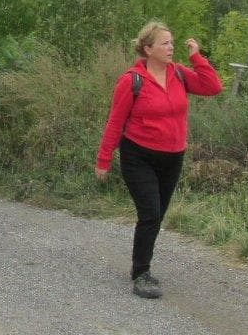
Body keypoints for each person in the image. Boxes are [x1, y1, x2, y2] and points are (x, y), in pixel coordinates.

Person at [94, 21, 222, 299]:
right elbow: (115, 122)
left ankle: (142, 264)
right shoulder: (131, 81)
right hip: (138, 155)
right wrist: (103, 160)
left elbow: (213, 87)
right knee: (150, 213)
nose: (171, 47)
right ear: (148, 49)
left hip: (173, 156)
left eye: (172, 42)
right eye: (165, 43)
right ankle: (141, 273)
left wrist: (196, 57)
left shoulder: (178, 73)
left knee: (157, 215)